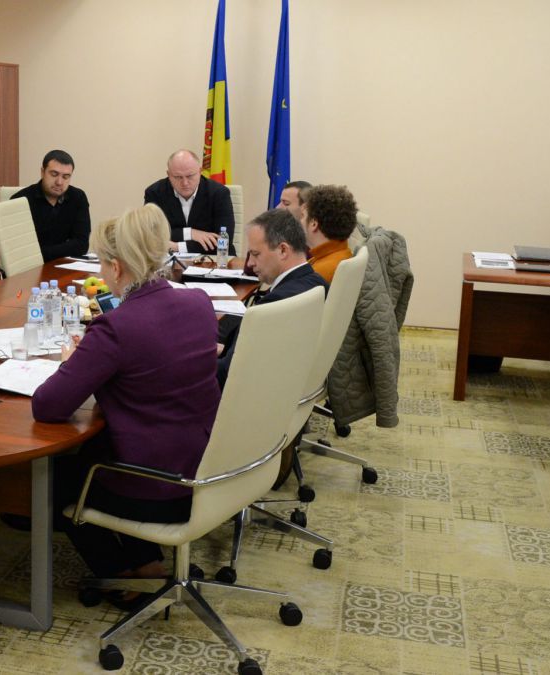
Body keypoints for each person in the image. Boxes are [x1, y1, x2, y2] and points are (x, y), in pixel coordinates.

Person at [31, 204, 220, 607]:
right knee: (94, 451)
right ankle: (147, 562)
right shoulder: (199, 302)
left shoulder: (116, 328)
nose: (101, 273)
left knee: (47, 480)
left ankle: (116, 572)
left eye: (101, 264)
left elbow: (47, 406)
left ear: (116, 268)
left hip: (156, 484)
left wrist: (72, 363)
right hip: (206, 465)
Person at [217, 209, 328, 387]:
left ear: (283, 250)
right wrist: (225, 350)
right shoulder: (319, 284)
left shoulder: (274, 306)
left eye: (255, 254)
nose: (250, 263)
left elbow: (229, 374)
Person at [143, 149, 234, 255]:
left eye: (190, 176)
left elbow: (223, 240)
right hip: (168, 260)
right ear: (169, 174)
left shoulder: (219, 193)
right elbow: (151, 235)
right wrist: (189, 233)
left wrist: (177, 247)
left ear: (200, 171)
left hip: (213, 259)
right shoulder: (155, 193)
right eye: (178, 177)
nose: (185, 183)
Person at [11, 149, 91, 261]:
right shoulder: (20, 200)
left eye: (66, 177)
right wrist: (66, 247)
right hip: (30, 266)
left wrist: (43, 252)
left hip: (65, 264)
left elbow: (82, 245)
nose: (59, 182)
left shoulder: (78, 197)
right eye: (54, 174)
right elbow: (19, 251)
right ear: (42, 172)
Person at [300, 184, 358, 283]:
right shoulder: (343, 253)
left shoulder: (316, 275)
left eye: (302, 216)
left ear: (314, 223)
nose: (299, 221)